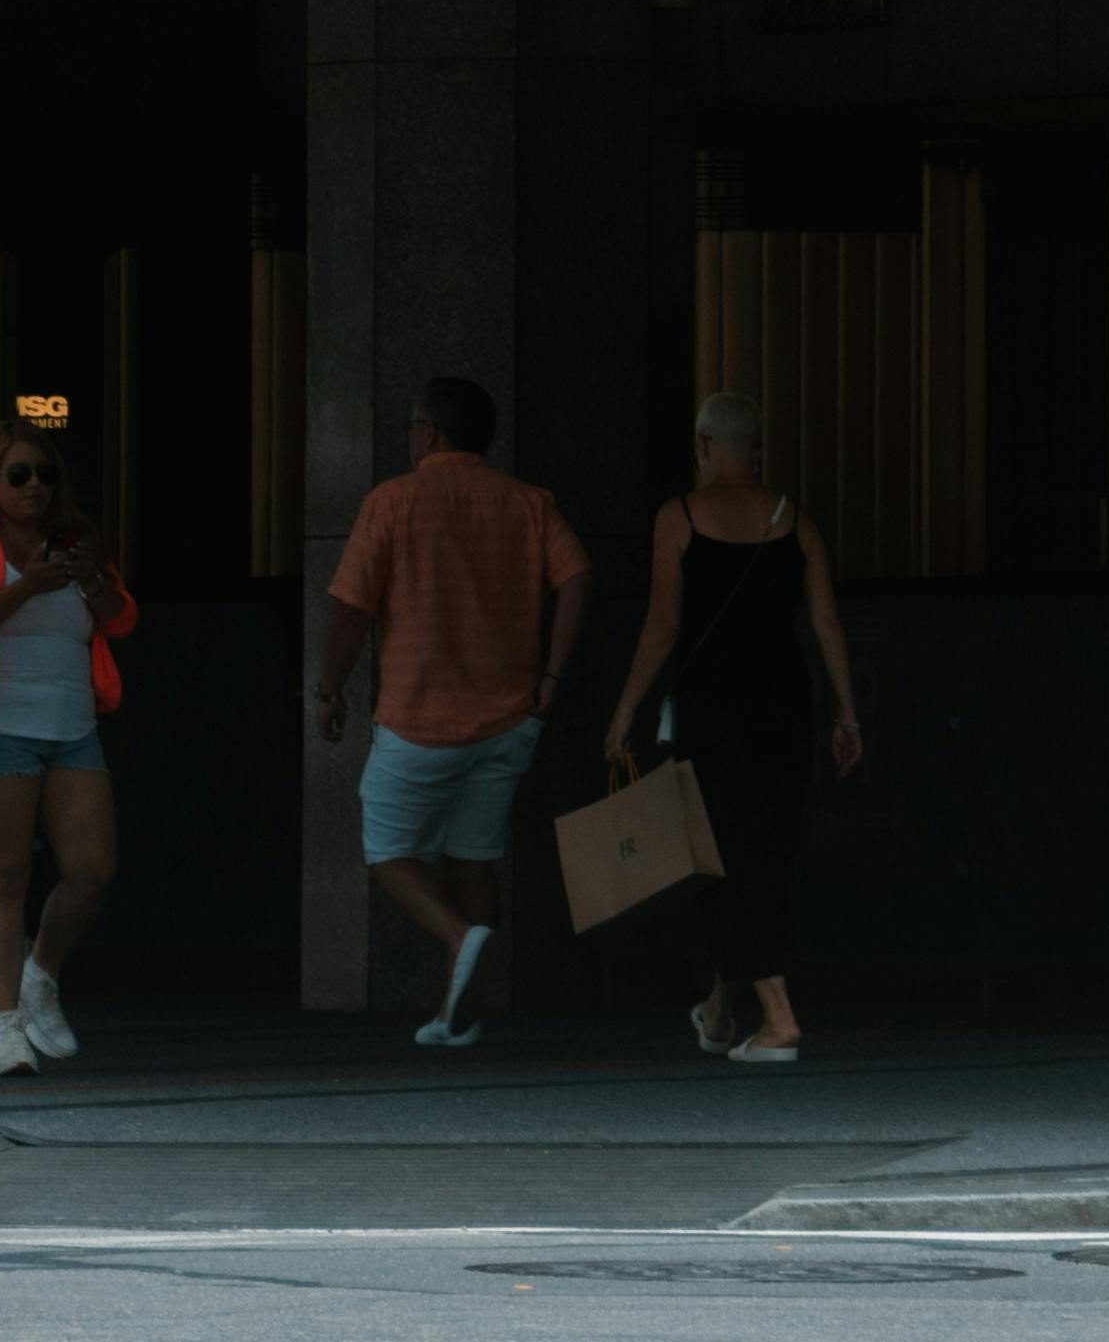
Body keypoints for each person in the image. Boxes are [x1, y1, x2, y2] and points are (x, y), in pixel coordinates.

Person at [319, 371, 589, 1050]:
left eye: (413, 424)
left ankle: (456, 936)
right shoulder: (528, 502)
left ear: (428, 431)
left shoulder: (392, 501)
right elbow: (578, 575)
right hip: (508, 719)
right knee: (473, 857)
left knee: (387, 852)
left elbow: (351, 609)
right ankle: (453, 1011)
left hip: (419, 715)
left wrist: (330, 688)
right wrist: (551, 677)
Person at [597, 393, 863, 1063]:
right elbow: (827, 622)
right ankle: (719, 1011)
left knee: (720, 857)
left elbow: (663, 627)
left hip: (713, 708)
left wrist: (627, 706)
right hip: (785, 706)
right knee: (761, 852)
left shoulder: (679, 517)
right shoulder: (795, 521)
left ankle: (778, 1018)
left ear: (706, 446)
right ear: (758, 451)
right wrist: (846, 709)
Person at [0, 422, 133, 1081]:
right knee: (6, 877)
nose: (34, 487)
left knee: (93, 868)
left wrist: (92, 579)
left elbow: (122, 618)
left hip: (71, 721)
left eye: (44, 474)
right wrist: (30, 584)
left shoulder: (74, 535)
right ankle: (5, 1029)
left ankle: (40, 973)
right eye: (19, 474)